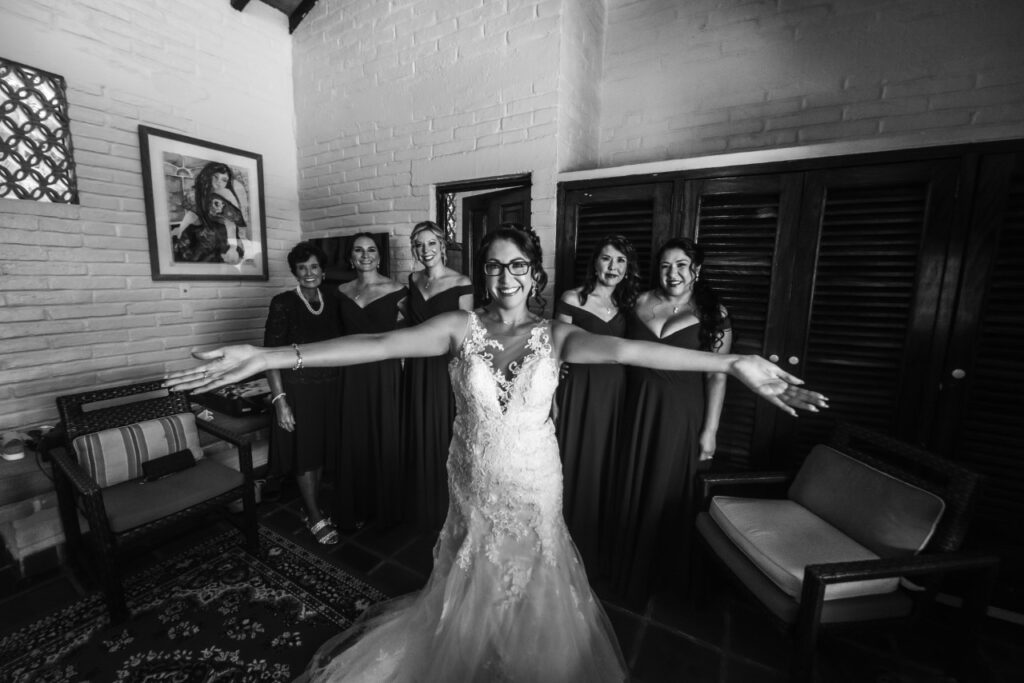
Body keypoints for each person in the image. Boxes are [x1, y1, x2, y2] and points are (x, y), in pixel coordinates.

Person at [164, 226, 826, 682]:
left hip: (536, 481)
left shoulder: (558, 333)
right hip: (475, 479)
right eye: (493, 265)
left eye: (517, 265)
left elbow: (630, 351)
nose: (504, 275)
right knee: (472, 573)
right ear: (483, 273)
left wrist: (733, 360)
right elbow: (375, 347)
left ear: (534, 273)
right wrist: (271, 354)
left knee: (536, 576)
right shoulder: (461, 326)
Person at [611, 237, 732, 608]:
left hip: (682, 412)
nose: (673, 273)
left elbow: (717, 376)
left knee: (666, 489)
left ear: (697, 270)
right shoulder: (638, 302)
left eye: (681, 265)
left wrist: (709, 431)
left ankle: (657, 578)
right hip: (635, 406)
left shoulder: (714, 312)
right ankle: (622, 569)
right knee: (630, 481)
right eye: (666, 266)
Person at [554, 235, 639, 577]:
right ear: (595, 262)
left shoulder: (628, 307)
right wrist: (554, 400)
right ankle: (563, 537)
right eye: (606, 259)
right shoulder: (571, 298)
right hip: (578, 389)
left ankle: (594, 542)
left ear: (627, 269)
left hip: (614, 393)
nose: (613, 267)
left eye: (620, 261)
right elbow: (555, 352)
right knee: (571, 459)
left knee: (604, 462)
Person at [264, 242, 341, 545]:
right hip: (298, 392)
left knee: (319, 452)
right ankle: (313, 515)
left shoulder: (333, 300)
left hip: (330, 389)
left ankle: (312, 507)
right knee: (305, 454)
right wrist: (279, 400)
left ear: (323, 270)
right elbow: (271, 355)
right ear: (295, 272)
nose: (309, 273)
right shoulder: (283, 303)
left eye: (314, 267)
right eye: (302, 268)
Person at [401, 221, 474, 530]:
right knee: (417, 428)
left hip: (446, 369)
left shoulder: (462, 282)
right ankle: (418, 501)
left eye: (431, 243)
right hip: (417, 367)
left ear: (443, 246)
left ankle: (448, 507)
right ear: (413, 249)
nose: (425, 250)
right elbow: (408, 319)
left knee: (446, 433)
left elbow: (468, 336)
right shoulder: (413, 279)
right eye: (419, 244)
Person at [334, 233, 407, 530]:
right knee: (354, 437)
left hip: (385, 373)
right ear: (351, 257)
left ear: (379, 256)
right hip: (350, 374)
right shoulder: (339, 291)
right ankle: (357, 506)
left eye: (371, 250)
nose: (365, 255)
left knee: (385, 434)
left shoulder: (399, 290)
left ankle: (387, 509)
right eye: (359, 250)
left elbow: (407, 337)